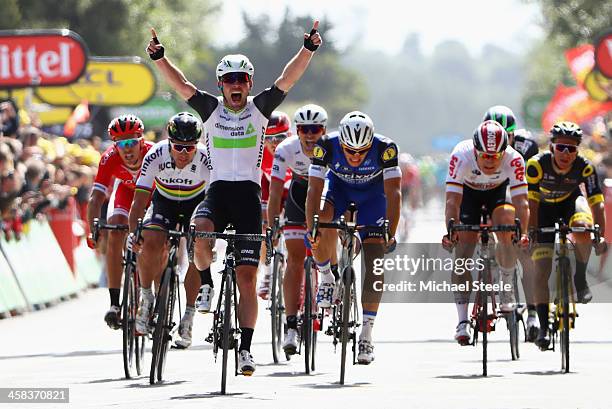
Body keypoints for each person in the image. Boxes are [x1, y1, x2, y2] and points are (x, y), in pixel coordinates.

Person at [146, 22, 322, 375]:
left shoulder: (260, 109)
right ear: (221, 85)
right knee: (200, 230)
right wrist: (160, 58)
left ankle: (244, 349)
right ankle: (207, 285)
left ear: (250, 84)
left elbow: (289, 78)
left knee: (246, 279)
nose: (236, 85)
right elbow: (182, 85)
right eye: (230, 80)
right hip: (217, 191)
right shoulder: (210, 110)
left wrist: (308, 49)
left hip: (248, 197)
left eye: (242, 79)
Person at [306, 111, 401, 365]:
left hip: (373, 197)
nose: (356, 157)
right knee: (322, 220)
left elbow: (394, 193)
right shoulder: (325, 146)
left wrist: (389, 232)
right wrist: (311, 229)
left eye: (362, 152)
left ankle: (367, 333)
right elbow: (314, 189)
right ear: (342, 144)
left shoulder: (386, 148)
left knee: (374, 259)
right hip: (338, 190)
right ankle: (327, 278)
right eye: (350, 152)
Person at [442, 120, 530, 346]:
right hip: (468, 196)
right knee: (462, 254)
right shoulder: (461, 156)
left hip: (497, 195)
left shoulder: (514, 158)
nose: (490, 161)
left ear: (504, 152)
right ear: (475, 151)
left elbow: (522, 202)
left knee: (507, 226)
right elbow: (452, 201)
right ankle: (462, 320)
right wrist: (450, 229)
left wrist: (523, 233)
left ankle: (507, 285)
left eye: (496, 156)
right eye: (485, 156)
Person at [128, 112, 211, 349]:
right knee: (150, 240)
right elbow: (139, 200)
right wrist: (135, 233)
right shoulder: (155, 154)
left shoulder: (206, 159)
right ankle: (146, 298)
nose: (184, 153)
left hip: (195, 203)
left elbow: (214, 198)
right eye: (178, 147)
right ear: (169, 143)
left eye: (189, 148)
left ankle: (188, 316)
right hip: (163, 201)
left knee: (197, 249)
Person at [526, 121, 607, 350]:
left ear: (577, 150)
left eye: (571, 149)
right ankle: (543, 327)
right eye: (561, 147)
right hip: (541, 209)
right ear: (551, 146)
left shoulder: (585, 167)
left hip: (570, 204)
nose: (565, 153)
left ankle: (580, 278)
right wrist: (532, 232)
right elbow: (531, 202)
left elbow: (597, 203)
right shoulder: (536, 165)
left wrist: (599, 235)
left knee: (583, 227)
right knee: (542, 269)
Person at [267, 104, 328, 354]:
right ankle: (291, 325)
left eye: (315, 129)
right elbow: (274, 192)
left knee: (326, 240)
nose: (310, 134)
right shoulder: (285, 149)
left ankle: (327, 277)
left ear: (323, 130)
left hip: (324, 191)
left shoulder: (332, 147)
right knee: (294, 259)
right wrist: (273, 226)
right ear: (297, 131)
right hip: (298, 193)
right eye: (304, 129)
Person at [86, 115, 153, 330]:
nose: (127, 148)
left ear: (141, 140)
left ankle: (155, 296)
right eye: (121, 143)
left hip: (152, 195)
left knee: (155, 237)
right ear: (114, 145)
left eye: (131, 141)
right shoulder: (109, 158)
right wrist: (94, 230)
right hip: (126, 193)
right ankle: (115, 304)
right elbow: (96, 198)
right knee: (114, 231)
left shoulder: (154, 153)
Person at [483, 105, 540, 341]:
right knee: (489, 235)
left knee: (526, 254)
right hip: (492, 195)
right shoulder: (481, 143)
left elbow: (533, 187)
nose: (503, 140)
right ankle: (494, 269)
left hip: (520, 194)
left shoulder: (527, 146)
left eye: (508, 135)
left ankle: (534, 313)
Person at [257, 111, 292, 300]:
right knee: (265, 228)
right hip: (270, 186)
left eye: (279, 137)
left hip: (293, 188)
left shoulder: (296, 146)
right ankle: (268, 271)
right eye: (268, 138)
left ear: (289, 135)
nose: (274, 143)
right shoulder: (260, 152)